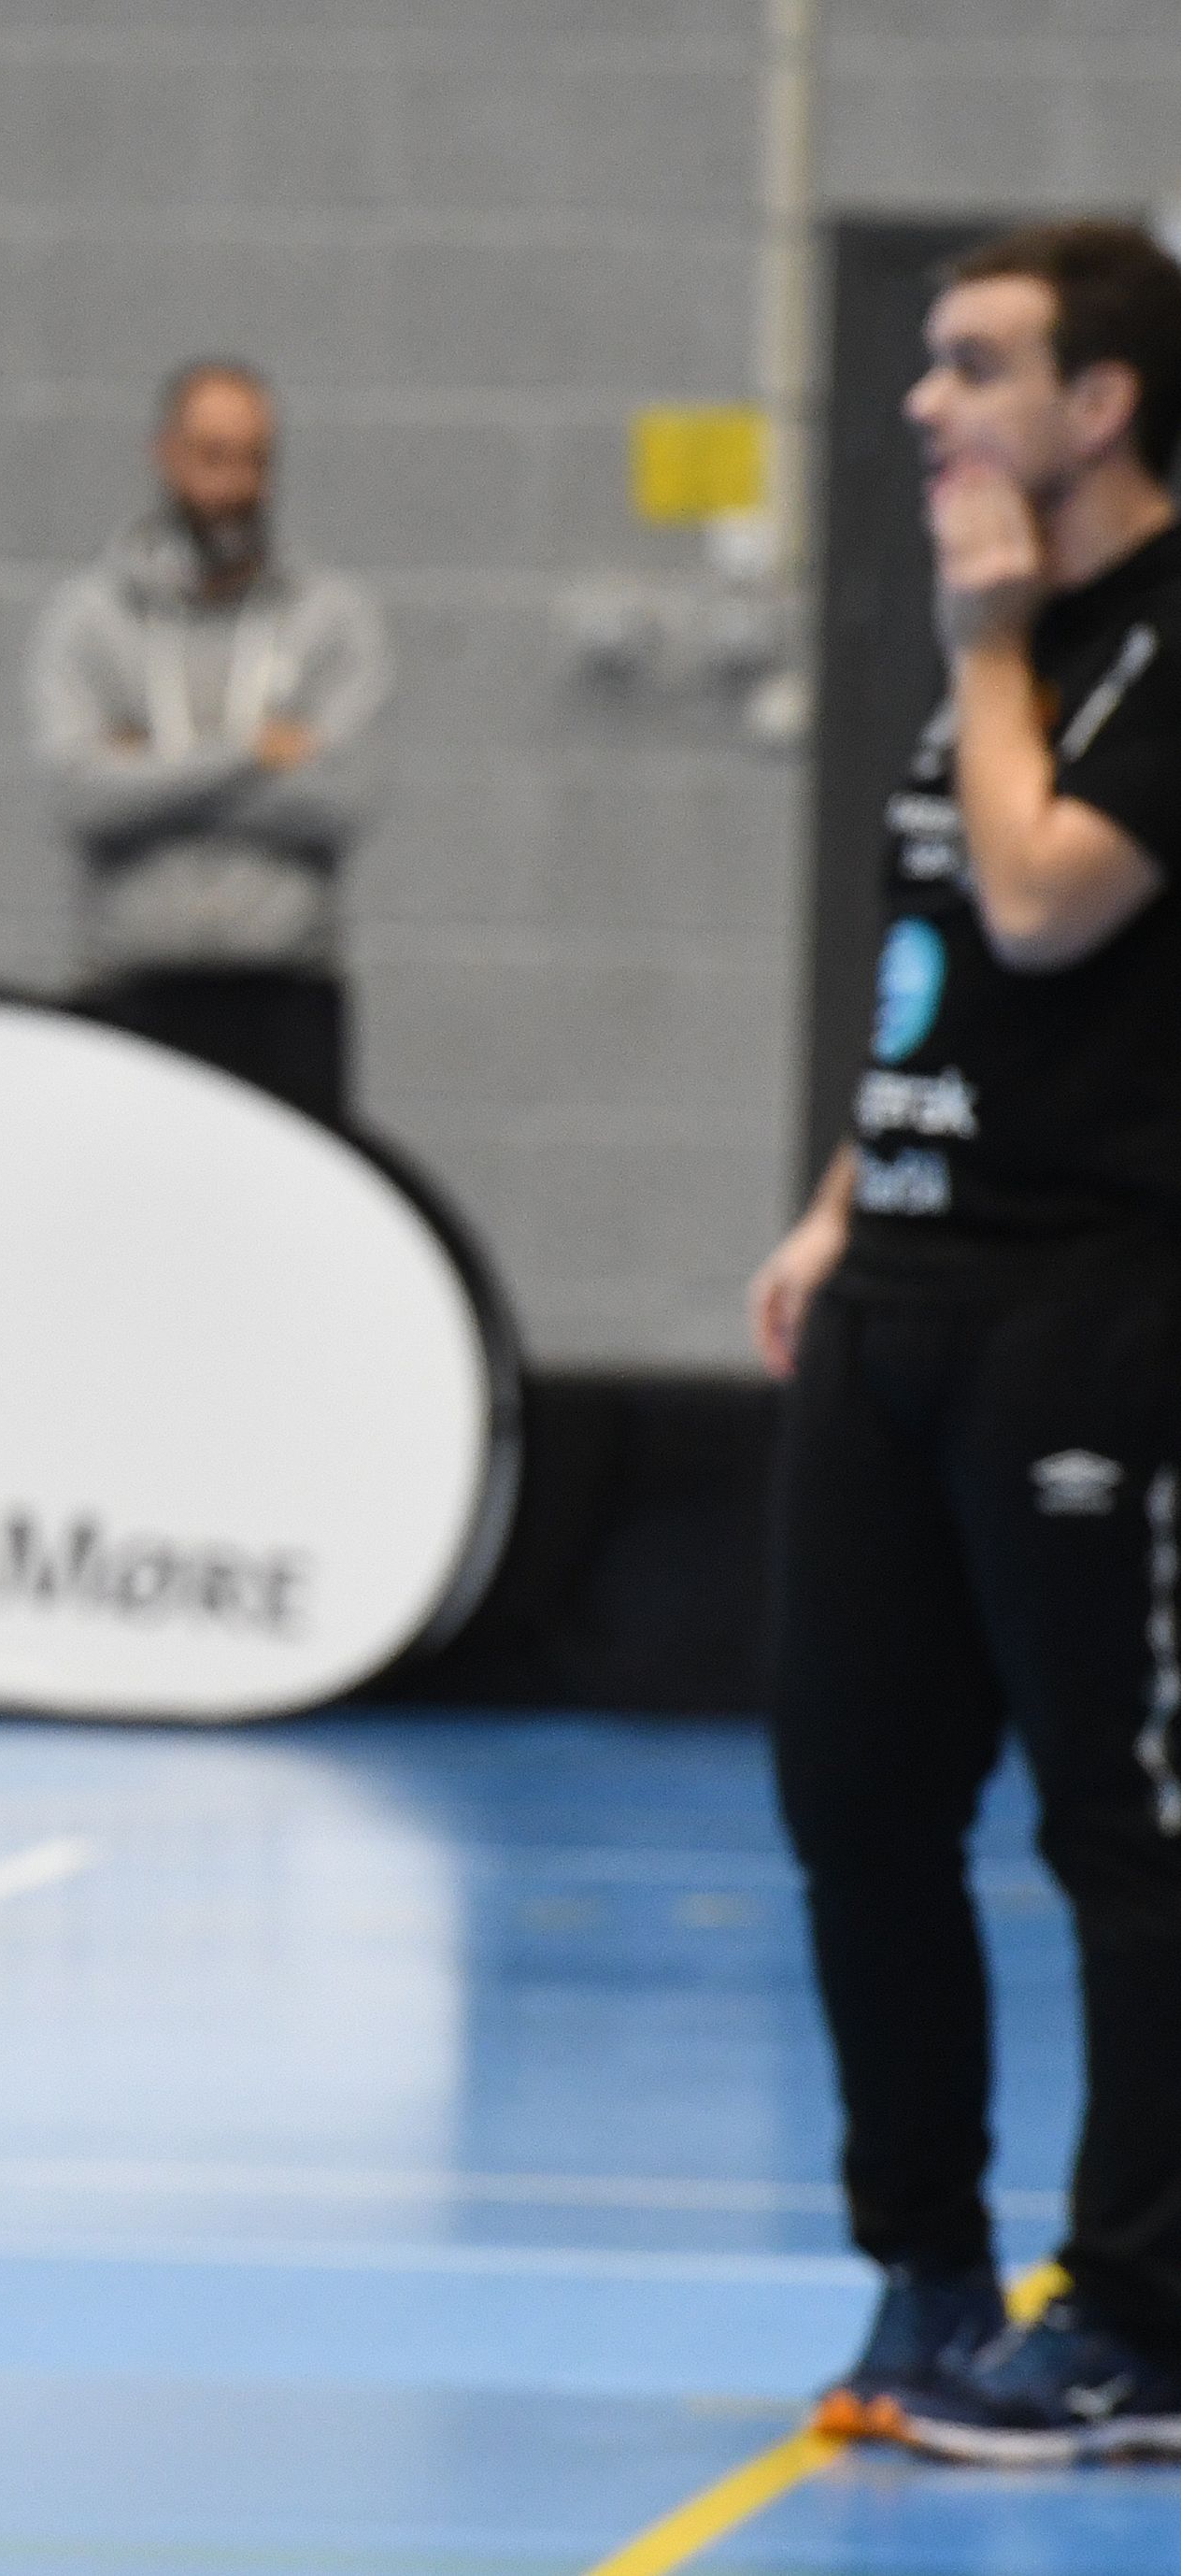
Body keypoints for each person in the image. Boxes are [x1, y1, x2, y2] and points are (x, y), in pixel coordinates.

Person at [747, 216, 1181, 2466]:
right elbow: (948, 962)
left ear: (1098, 402)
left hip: (1090, 1314)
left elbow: (1043, 894)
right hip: (900, 1302)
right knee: (853, 1799)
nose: (924, 404)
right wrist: (847, 1195)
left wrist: (989, 639)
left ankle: (1136, 2316)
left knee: (1120, 1819)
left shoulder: (1122, 640)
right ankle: (924, 2263)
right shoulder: (991, 652)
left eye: (973, 364)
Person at [26, 358, 390, 1125]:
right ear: (166, 455)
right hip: (131, 994)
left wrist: (150, 768)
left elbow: (341, 799)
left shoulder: (330, 618)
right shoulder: (90, 620)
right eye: (213, 457)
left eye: (255, 460)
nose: (234, 484)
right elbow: (81, 798)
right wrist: (254, 756)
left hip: (284, 1003)